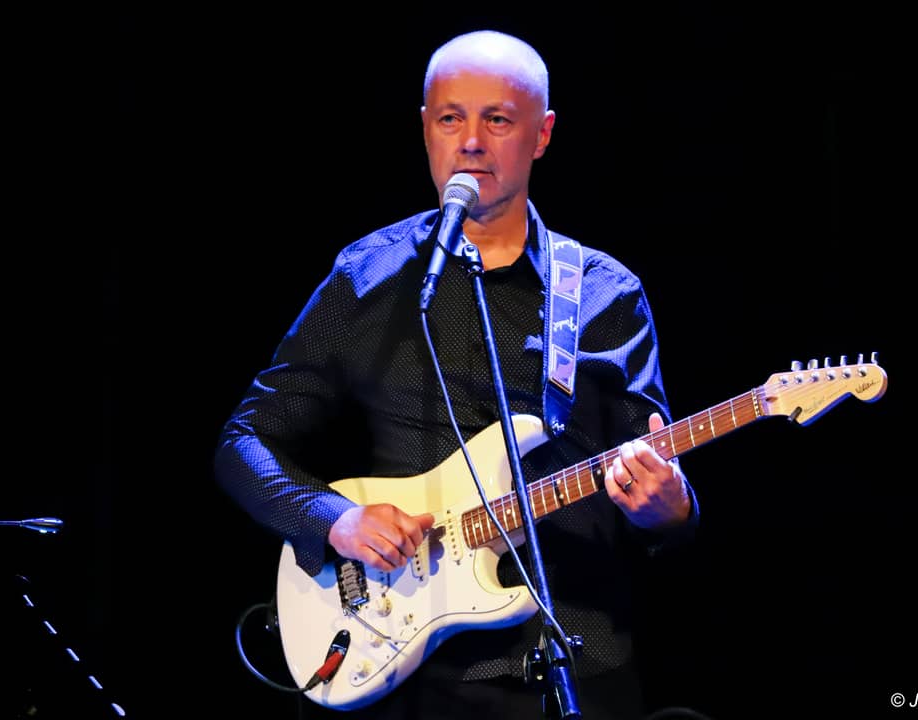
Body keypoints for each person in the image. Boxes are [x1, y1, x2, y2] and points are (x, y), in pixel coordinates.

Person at [215, 29, 699, 720]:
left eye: (497, 120)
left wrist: (671, 509)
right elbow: (244, 442)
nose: (470, 142)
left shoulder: (604, 294)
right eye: (451, 119)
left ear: (542, 135)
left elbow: (654, 484)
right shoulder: (367, 274)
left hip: (568, 665)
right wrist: (334, 519)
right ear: (425, 128)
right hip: (400, 676)